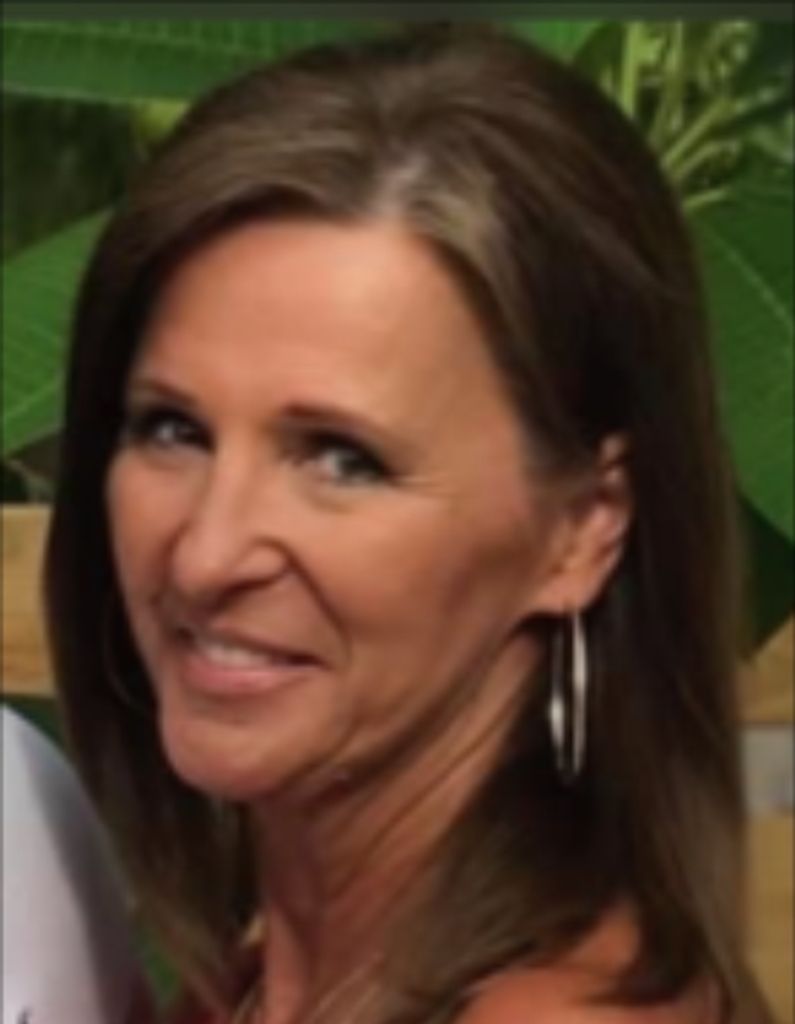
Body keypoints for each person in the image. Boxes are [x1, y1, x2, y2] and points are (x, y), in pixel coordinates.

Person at [43, 22, 773, 1024]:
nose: (207, 555)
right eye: (173, 428)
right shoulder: (258, 992)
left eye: (342, 459)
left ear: (583, 527)